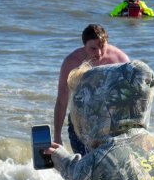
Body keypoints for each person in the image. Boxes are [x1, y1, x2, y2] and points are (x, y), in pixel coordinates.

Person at [53, 24, 129, 154]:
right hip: (80, 122)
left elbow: (129, 98)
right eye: (93, 48)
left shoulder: (120, 60)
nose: (98, 53)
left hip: (110, 122)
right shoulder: (72, 62)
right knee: (85, 164)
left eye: (102, 47)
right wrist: (57, 136)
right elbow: (61, 101)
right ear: (84, 46)